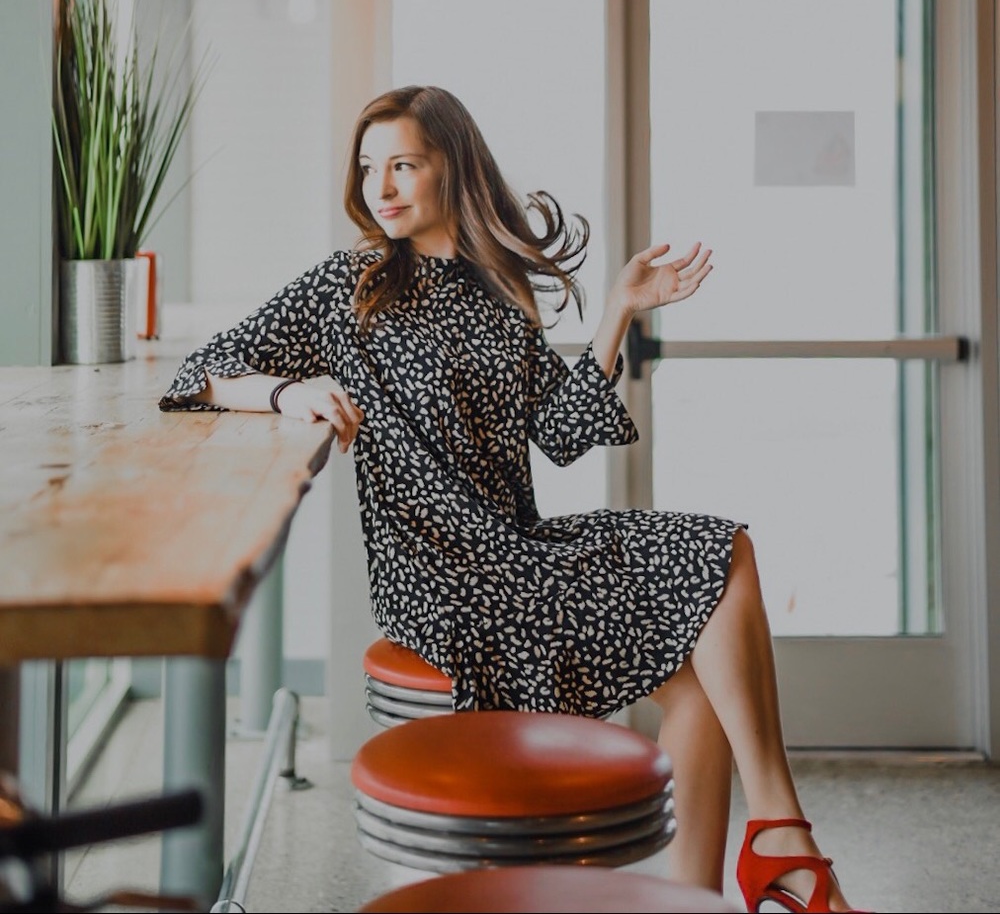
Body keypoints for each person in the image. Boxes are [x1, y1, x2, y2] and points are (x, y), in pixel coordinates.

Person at [161, 84, 867, 913]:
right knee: (706, 595)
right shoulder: (347, 285)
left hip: (517, 544)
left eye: (402, 166)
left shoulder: (501, 292)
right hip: (435, 571)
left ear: (451, 171)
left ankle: (714, 886)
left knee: (720, 561)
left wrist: (619, 311)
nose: (380, 186)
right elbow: (198, 373)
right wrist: (290, 393)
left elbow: (563, 434)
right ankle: (782, 846)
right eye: (369, 168)